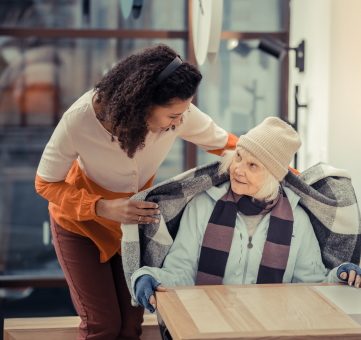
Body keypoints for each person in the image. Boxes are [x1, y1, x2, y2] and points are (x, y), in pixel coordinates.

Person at [35, 44, 237, 340]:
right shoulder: (79, 120)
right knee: (102, 326)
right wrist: (105, 207)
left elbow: (227, 144)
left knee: (131, 327)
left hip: (128, 229)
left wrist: (284, 168)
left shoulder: (178, 111)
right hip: (80, 226)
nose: (180, 121)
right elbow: (45, 183)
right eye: (172, 116)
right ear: (143, 103)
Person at [132, 117, 361, 316]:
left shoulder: (298, 219)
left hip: (273, 326)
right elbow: (181, 272)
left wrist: (340, 275)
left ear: (272, 175)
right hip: (208, 322)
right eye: (238, 157)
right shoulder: (202, 206)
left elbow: (309, 284)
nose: (238, 169)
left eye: (253, 165)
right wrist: (148, 275)